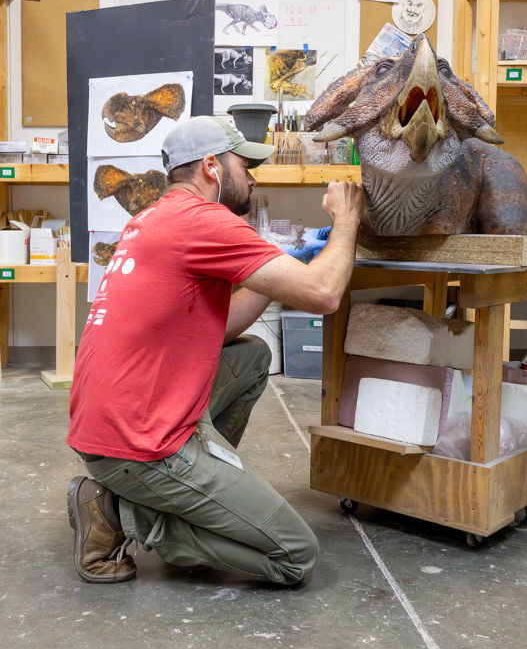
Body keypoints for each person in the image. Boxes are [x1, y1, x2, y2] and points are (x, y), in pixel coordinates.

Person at [65, 115, 364, 586]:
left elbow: (217, 327)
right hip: (139, 446)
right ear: (211, 167)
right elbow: (325, 294)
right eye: (244, 165)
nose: (251, 177)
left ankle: (188, 496)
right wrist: (347, 221)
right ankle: (121, 514)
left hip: (110, 423)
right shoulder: (203, 219)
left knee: (251, 357)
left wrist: (280, 270)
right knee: (295, 555)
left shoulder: (151, 218)